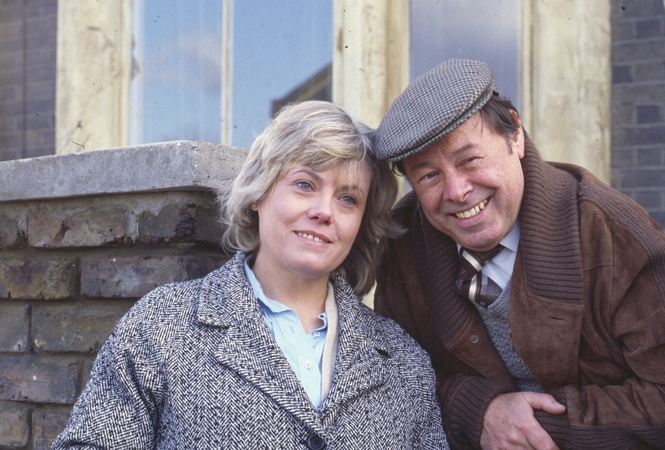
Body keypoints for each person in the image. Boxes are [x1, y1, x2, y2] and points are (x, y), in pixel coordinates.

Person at [373, 58, 665, 449]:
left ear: (515, 136)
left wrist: (530, 427)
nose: (457, 191)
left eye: (469, 160)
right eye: (428, 176)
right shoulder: (403, 243)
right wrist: (480, 411)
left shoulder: (612, 231)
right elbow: (392, 385)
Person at [52, 101, 448, 449]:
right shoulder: (161, 326)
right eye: (305, 185)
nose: (325, 211)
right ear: (259, 193)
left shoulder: (402, 360)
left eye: (348, 198)